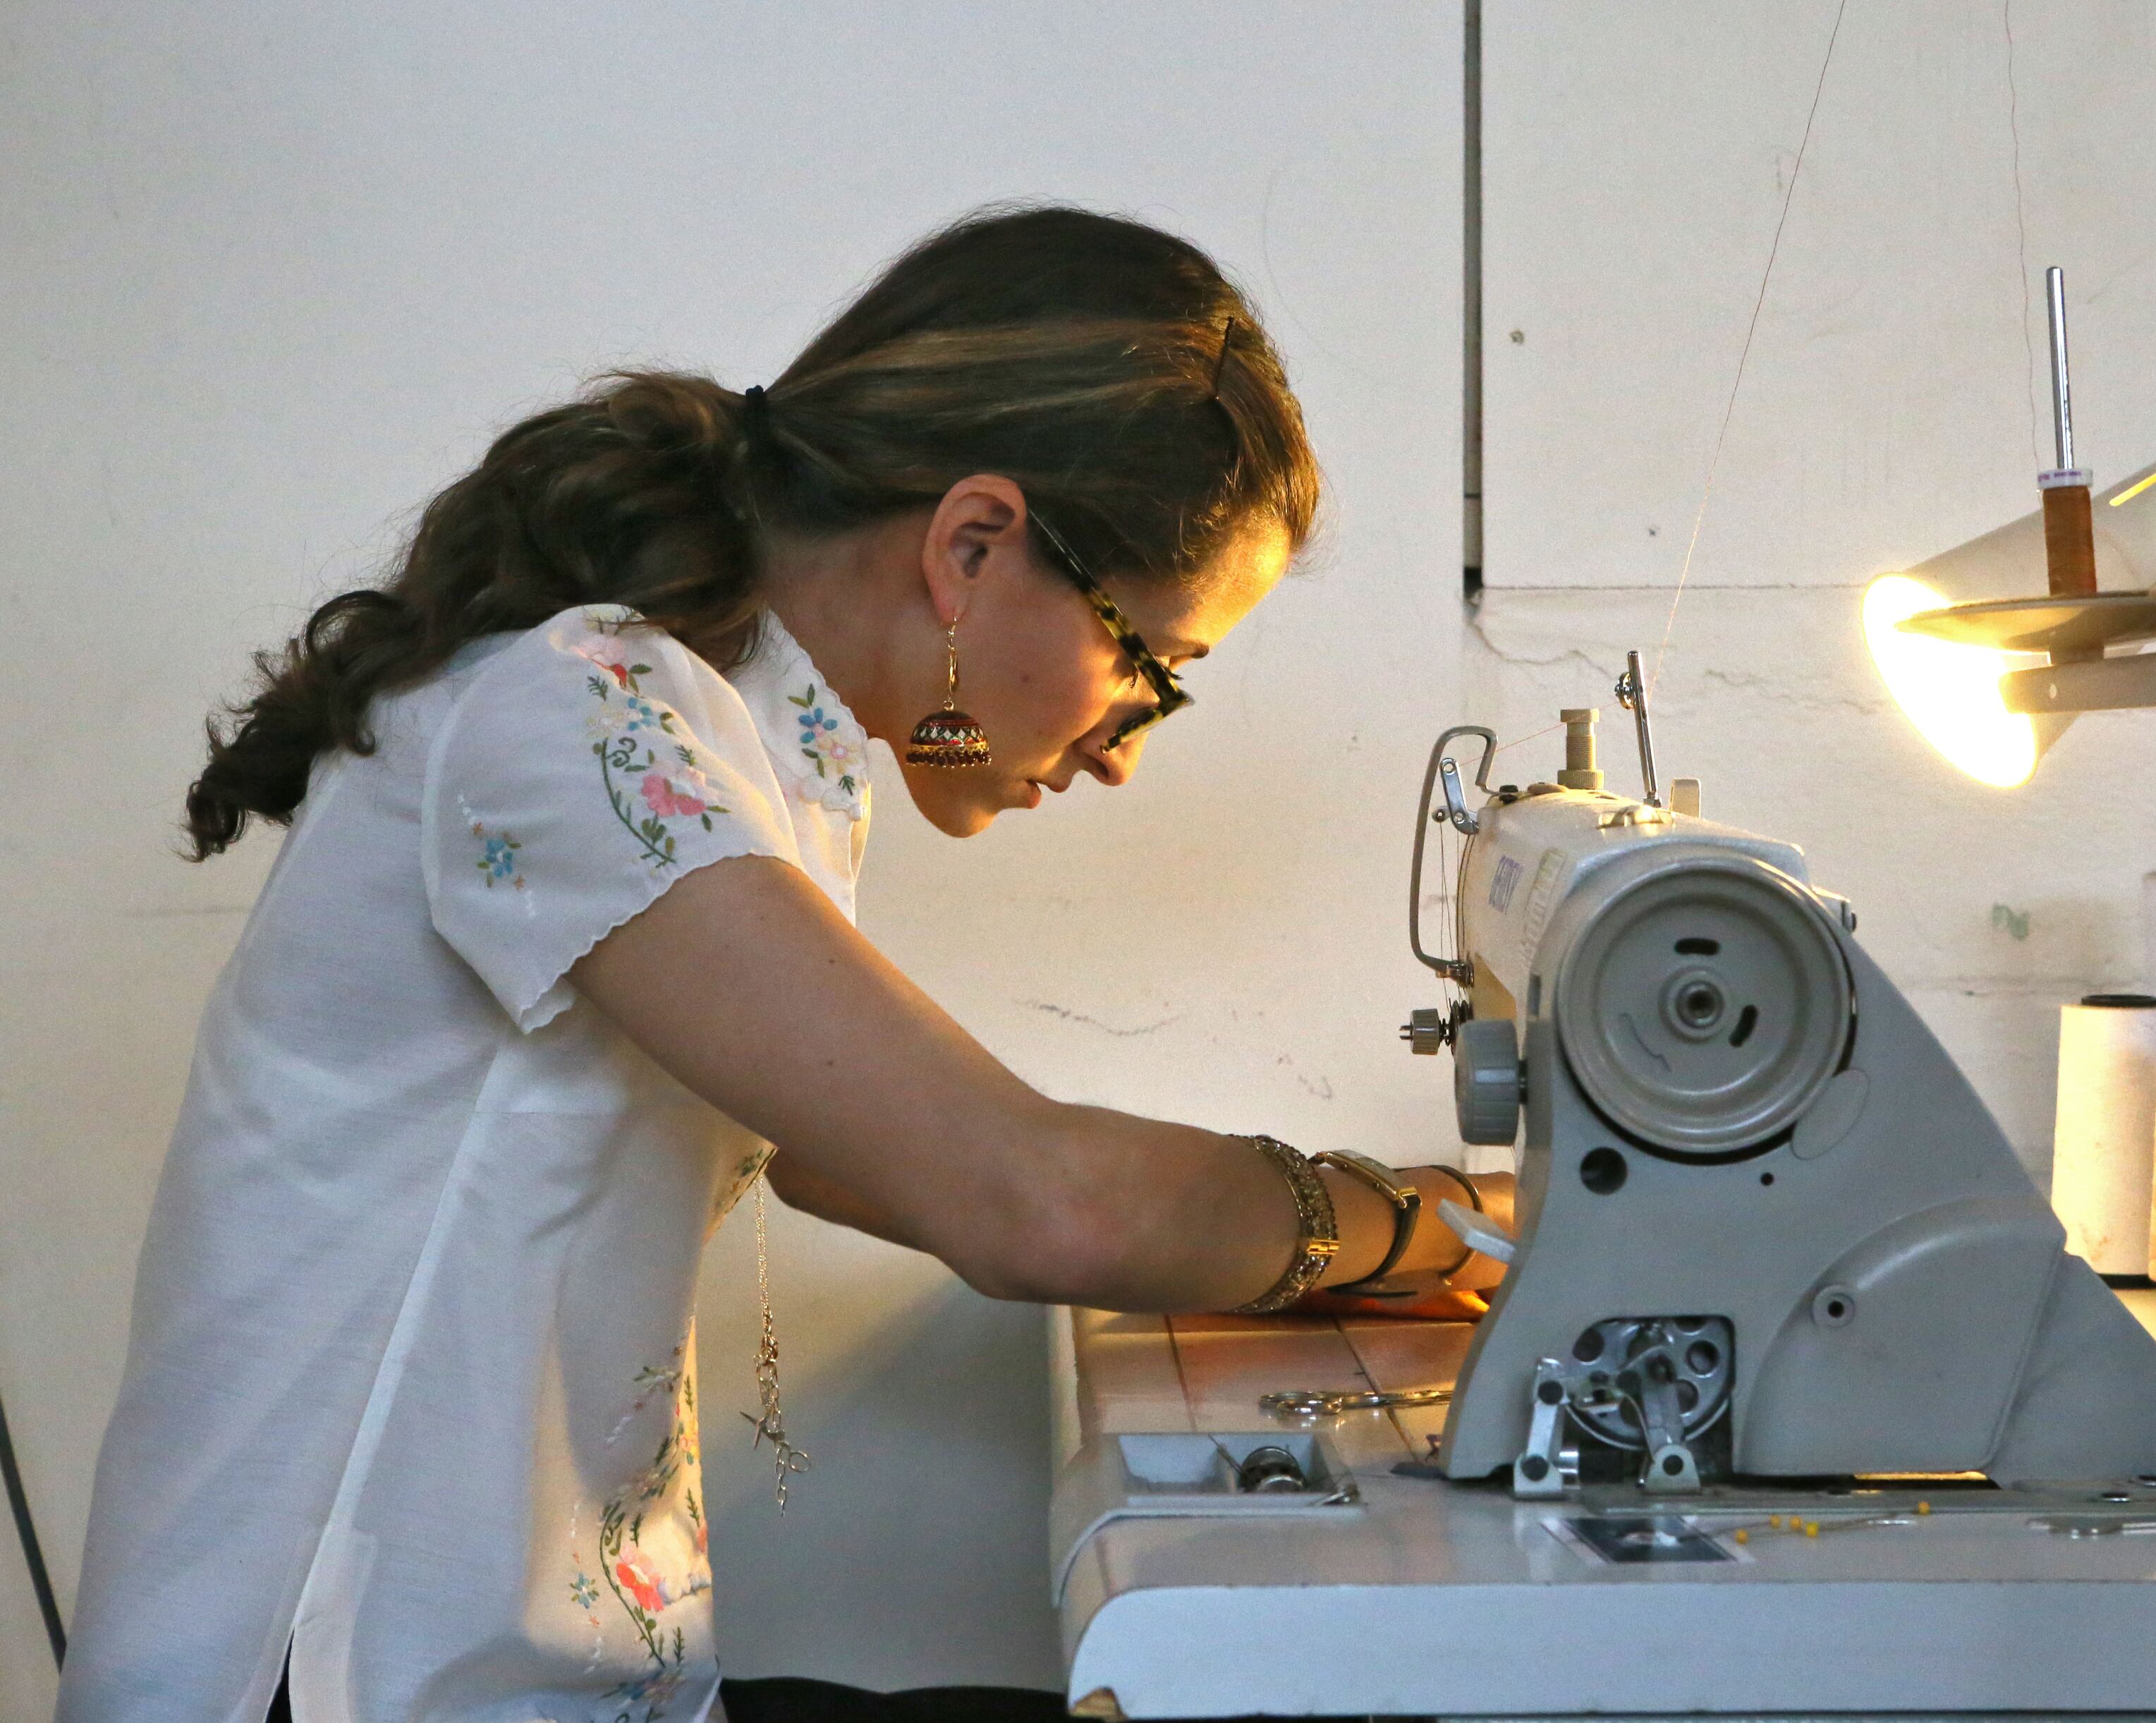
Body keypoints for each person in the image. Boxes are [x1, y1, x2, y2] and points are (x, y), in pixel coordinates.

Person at [55, 204, 1506, 1723]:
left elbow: (861, 1160)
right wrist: (1438, 1228)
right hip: (330, 1683)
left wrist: (1340, 1232)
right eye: (1151, 668)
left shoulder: (752, 748)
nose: (1122, 755)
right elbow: (1032, 1199)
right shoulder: (579, 716)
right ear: (972, 544)